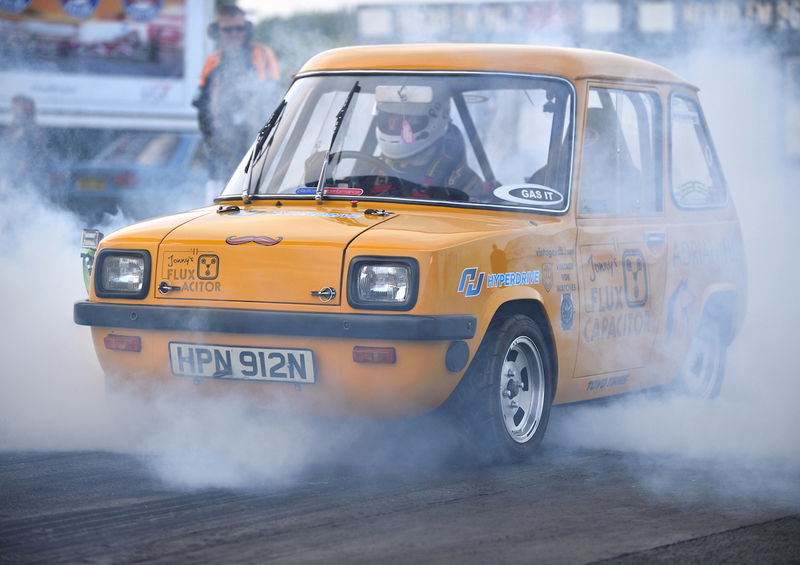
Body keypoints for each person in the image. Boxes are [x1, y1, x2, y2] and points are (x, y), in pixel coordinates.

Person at [193, 4, 281, 202]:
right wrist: (209, 138)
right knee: (216, 195)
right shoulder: (212, 61)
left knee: (252, 196)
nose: (234, 34)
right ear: (218, 32)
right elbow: (201, 102)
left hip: (254, 139)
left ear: (246, 30)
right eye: (228, 29)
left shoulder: (262, 54)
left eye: (239, 28)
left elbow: (272, 94)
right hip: (221, 140)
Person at [368, 86, 484, 199]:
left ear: (435, 121)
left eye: (406, 120)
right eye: (389, 118)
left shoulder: (459, 181)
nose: (393, 126)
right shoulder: (368, 168)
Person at [0, 94, 49, 191]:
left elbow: (39, 148)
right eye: (14, 106)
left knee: (27, 193)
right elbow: (8, 144)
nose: (14, 109)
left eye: (17, 106)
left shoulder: (31, 126)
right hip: (14, 168)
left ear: (25, 107)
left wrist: (26, 163)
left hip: (28, 170)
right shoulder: (15, 125)